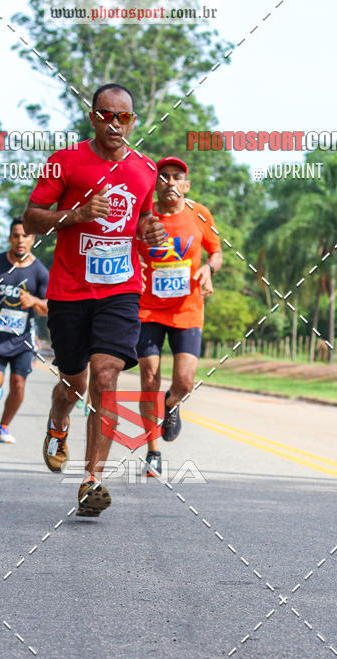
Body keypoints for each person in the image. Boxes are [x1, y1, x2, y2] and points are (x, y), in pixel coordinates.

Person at [24, 82, 165, 517]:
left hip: (121, 289)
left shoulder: (146, 169)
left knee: (106, 378)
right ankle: (58, 422)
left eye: (124, 117)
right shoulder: (63, 162)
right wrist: (78, 215)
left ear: (133, 121)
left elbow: (143, 222)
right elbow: (32, 218)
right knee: (74, 383)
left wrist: (152, 236)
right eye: (107, 115)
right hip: (69, 291)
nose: (116, 124)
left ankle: (91, 480)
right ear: (93, 118)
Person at [136, 157, 222, 475]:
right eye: (163, 177)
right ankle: (153, 451)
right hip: (148, 308)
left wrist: (207, 269)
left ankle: (171, 404)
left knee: (184, 381)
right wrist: (136, 270)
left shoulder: (200, 214)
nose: (170, 182)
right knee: (149, 377)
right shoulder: (144, 217)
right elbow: (129, 248)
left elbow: (216, 251)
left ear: (186, 185)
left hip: (187, 309)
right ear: (155, 184)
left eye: (177, 178)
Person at [0, 217, 49, 443]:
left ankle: (3, 427)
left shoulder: (40, 271)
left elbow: (48, 307)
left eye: (25, 236)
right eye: (16, 235)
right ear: (9, 238)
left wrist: (34, 301)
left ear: (33, 239)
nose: (20, 240)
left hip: (23, 339)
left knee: (18, 383)